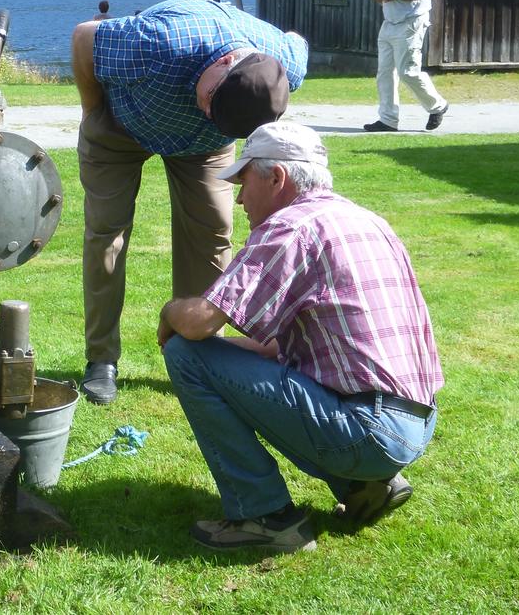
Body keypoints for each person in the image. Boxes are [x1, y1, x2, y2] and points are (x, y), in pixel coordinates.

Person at [159, 122, 443, 553]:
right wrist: (220, 362)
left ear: (277, 177)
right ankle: (365, 484)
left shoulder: (291, 227)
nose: (240, 198)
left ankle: (265, 517)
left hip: (368, 430)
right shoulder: (367, 220)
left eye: (244, 181)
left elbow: (199, 323)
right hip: (417, 423)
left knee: (184, 351)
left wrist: (169, 311)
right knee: (203, 357)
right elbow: (292, 348)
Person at [71, 0, 309, 405]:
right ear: (223, 61)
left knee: (213, 231)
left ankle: (199, 355)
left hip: (204, 147)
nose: (205, 109)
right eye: (210, 99)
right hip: (119, 124)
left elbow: (297, 40)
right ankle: (102, 359)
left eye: (216, 111)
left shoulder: (285, 61)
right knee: (107, 232)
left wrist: (221, 123)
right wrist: (93, 113)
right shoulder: (159, 43)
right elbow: (84, 37)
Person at [365, 0, 449, 132]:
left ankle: (438, 106)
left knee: (408, 72)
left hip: (410, 23)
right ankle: (388, 120)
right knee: (385, 73)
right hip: (389, 23)